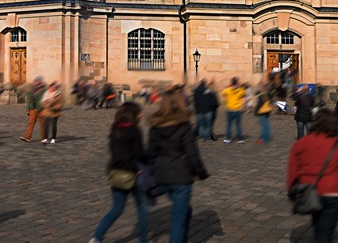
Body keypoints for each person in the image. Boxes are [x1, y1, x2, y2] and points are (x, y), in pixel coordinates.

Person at [287, 108, 338, 243]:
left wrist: (292, 193)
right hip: (334, 194)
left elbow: (292, 172)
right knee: (324, 232)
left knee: (320, 226)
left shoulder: (301, 143)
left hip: (310, 192)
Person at [148, 87, 209, 243]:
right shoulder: (184, 126)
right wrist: (201, 172)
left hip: (162, 176)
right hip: (181, 177)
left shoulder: (154, 127)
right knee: (178, 220)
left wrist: (153, 173)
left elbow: (151, 153)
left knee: (184, 210)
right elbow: (192, 153)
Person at [89, 101, 149, 243]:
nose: (141, 115)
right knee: (142, 207)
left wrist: (109, 174)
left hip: (116, 174)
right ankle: (144, 240)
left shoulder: (115, 129)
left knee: (116, 209)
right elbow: (139, 155)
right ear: (132, 115)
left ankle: (97, 237)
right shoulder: (134, 130)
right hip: (134, 174)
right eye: (139, 112)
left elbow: (111, 155)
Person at [20, 77, 46, 142]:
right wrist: (28, 109)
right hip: (33, 108)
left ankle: (43, 138)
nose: (34, 82)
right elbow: (29, 100)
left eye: (36, 81)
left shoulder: (44, 90)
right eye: (34, 81)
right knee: (31, 123)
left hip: (41, 109)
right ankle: (27, 137)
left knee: (43, 124)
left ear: (39, 82)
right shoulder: (32, 89)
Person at [221, 77, 246, 144]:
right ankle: (240, 139)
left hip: (230, 110)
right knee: (238, 125)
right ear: (237, 83)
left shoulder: (227, 90)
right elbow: (244, 94)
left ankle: (228, 139)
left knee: (229, 125)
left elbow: (222, 94)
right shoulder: (241, 90)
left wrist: (228, 86)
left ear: (231, 83)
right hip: (238, 109)